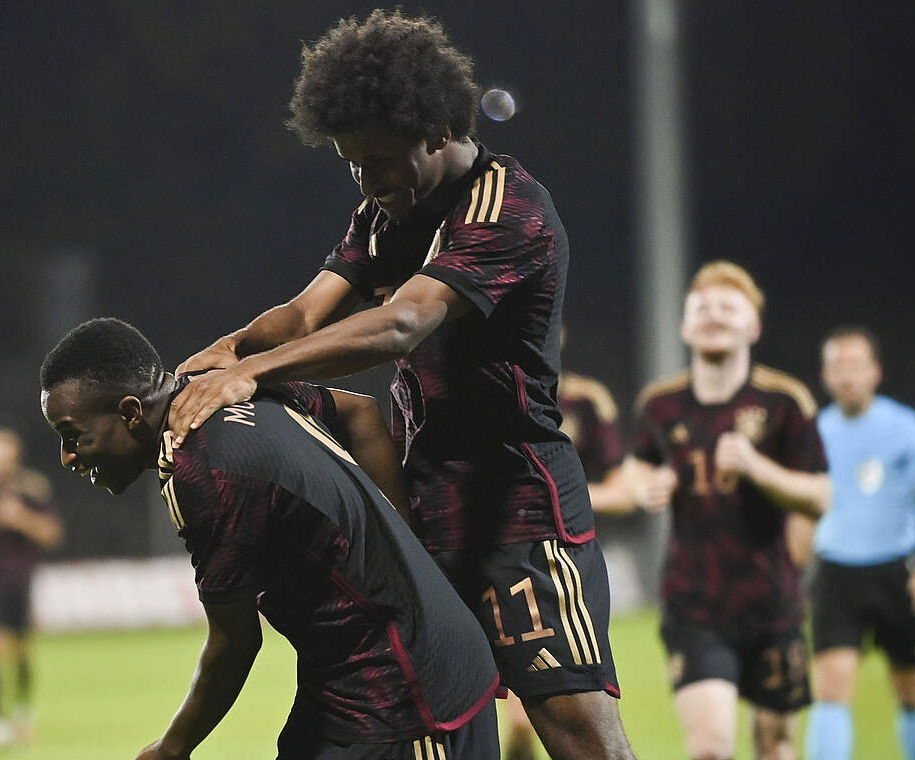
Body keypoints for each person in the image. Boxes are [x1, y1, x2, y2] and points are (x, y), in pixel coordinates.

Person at [168, 10, 632, 757]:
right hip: (426, 509)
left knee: (579, 736)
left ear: (440, 131)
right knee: (433, 722)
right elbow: (302, 315)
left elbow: (402, 324)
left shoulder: (508, 205)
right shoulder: (382, 214)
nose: (368, 179)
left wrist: (250, 372)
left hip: (518, 511)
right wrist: (215, 359)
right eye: (352, 162)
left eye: (380, 160)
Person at [40, 317, 500, 759]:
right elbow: (361, 414)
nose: (66, 457)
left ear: (130, 412)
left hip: (404, 695)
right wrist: (409, 559)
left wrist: (171, 749)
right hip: (355, 685)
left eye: (71, 435)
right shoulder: (220, 384)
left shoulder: (203, 473)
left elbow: (235, 642)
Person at [629, 260, 829, 760]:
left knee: (775, 745)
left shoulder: (785, 401)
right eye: (703, 307)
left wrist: (759, 469)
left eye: (728, 307)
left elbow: (820, 496)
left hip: (772, 602)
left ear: (753, 325)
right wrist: (647, 484)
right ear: (685, 324)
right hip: (694, 603)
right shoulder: (659, 405)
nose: (714, 315)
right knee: (711, 749)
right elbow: (635, 469)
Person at [503, 362, 636, 760]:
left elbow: (623, 493)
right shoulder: (462, 391)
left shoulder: (585, 400)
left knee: (526, 723)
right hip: (479, 560)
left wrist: (543, 497)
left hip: (557, 568)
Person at [804, 326, 915, 760]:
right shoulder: (815, 431)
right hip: (836, 572)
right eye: (837, 366)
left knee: (912, 691)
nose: (846, 375)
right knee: (831, 689)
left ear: (875, 371)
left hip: (899, 570)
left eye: (855, 365)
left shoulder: (905, 427)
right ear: (825, 375)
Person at [0, 426, 64, 747]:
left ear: (14, 456)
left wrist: (19, 518)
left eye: (3, 455)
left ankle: (22, 713)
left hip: (22, 582)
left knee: (22, 654)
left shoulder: (32, 490)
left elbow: (52, 534)